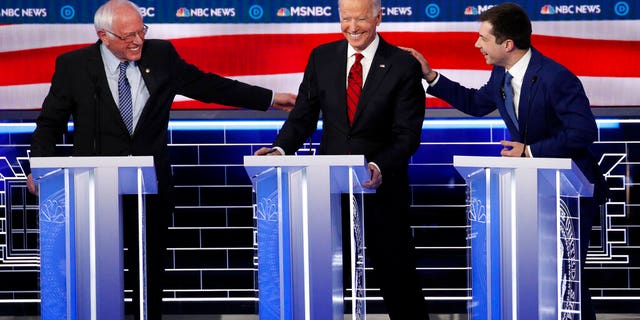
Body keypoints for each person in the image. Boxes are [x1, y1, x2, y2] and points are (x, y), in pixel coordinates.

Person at [26, 0, 296, 318]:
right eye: (128, 36)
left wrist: (271, 98)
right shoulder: (74, 65)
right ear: (103, 35)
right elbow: (50, 122)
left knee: (149, 269)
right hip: (92, 187)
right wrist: (40, 167)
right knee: (93, 267)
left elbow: (208, 86)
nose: (137, 40)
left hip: (149, 187)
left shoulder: (161, 55)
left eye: (141, 31)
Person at [403, 3, 608, 319]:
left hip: (570, 194)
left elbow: (583, 133)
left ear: (507, 44)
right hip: (533, 191)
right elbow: (475, 103)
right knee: (540, 277)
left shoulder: (556, 77)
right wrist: (430, 76)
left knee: (567, 280)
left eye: (483, 38)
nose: (477, 44)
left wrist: (529, 151)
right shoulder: (501, 72)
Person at [254, 0, 430, 318]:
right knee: (324, 275)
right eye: (345, 18)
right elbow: (303, 117)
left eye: (361, 18)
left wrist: (378, 165)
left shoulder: (403, 65)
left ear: (379, 17)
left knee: (397, 274)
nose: (352, 26)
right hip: (329, 187)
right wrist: (279, 149)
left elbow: (407, 135)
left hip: (381, 186)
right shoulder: (322, 57)